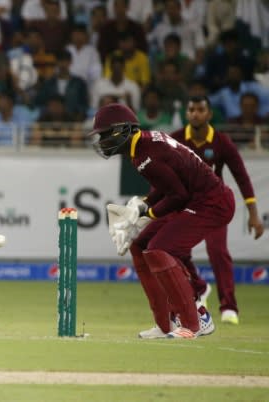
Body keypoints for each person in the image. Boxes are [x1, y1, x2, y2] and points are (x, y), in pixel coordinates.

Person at [90, 103, 228, 339]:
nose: (102, 140)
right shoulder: (143, 146)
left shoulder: (145, 154)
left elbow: (177, 195)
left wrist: (146, 215)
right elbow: (167, 187)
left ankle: (196, 322)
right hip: (195, 201)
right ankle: (165, 325)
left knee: (159, 248)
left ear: (122, 130)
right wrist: (144, 204)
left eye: (104, 134)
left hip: (211, 203)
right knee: (140, 244)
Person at [170, 96, 264, 324]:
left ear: (209, 114)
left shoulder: (221, 142)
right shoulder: (176, 140)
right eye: (191, 109)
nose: (195, 114)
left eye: (200, 110)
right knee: (176, 252)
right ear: (187, 113)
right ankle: (200, 288)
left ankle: (229, 307)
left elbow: (242, 178)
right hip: (185, 205)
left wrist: (253, 214)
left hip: (214, 206)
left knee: (218, 252)